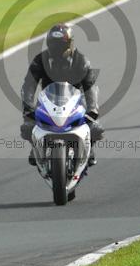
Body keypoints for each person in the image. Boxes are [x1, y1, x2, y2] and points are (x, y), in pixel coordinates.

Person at [20, 23, 104, 166]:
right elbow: (29, 85)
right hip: (48, 101)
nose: (58, 49)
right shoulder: (40, 60)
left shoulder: (81, 61)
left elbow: (90, 87)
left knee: (96, 129)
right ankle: (36, 148)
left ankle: (88, 150)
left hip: (76, 102)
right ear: (49, 44)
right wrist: (28, 108)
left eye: (61, 45)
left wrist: (93, 110)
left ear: (70, 44)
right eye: (54, 45)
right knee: (27, 127)